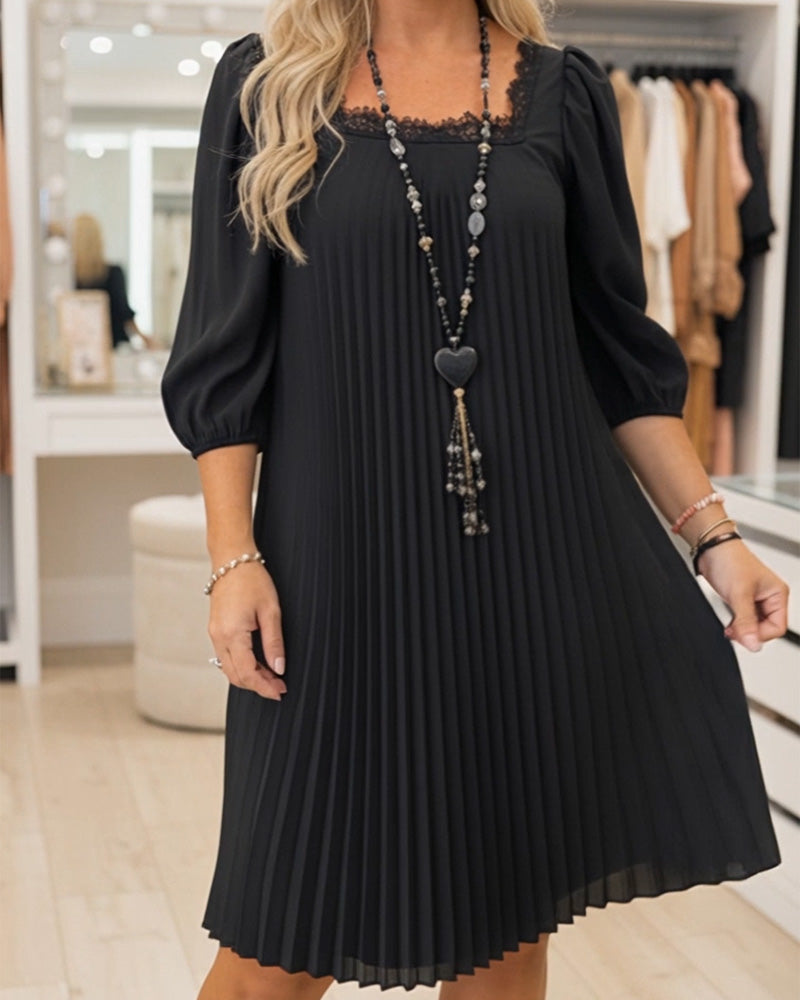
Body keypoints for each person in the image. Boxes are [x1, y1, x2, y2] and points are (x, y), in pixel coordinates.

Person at [160, 2, 790, 998]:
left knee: (506, 930)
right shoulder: (266, 82)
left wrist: (716, 538)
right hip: (339, 569)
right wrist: (232, 558)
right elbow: (224, 353)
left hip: (538, 569)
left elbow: (616, 359)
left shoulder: (564, 92)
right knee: (272, 950)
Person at [72, 212, 151, 349]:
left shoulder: (69, 280)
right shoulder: (113, 273)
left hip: (81, 348)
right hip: (114, 346)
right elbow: (124, 312)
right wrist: (144, 338)